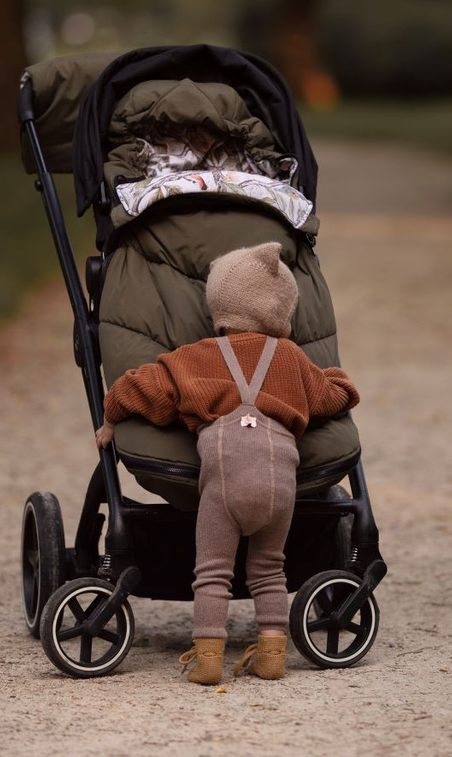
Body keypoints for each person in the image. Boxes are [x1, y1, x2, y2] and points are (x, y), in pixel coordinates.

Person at [96, 242, 359, 684]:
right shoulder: (292, 359)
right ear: (281, 317)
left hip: (224, 479)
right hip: (281, 482)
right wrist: (342, 385)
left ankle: (208, 660)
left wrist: (110, 418)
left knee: (213, 570)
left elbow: (141, 389)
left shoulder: (192, 358)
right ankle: (273, 655)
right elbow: (330, 397)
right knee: (270, 569)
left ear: (217, 307)